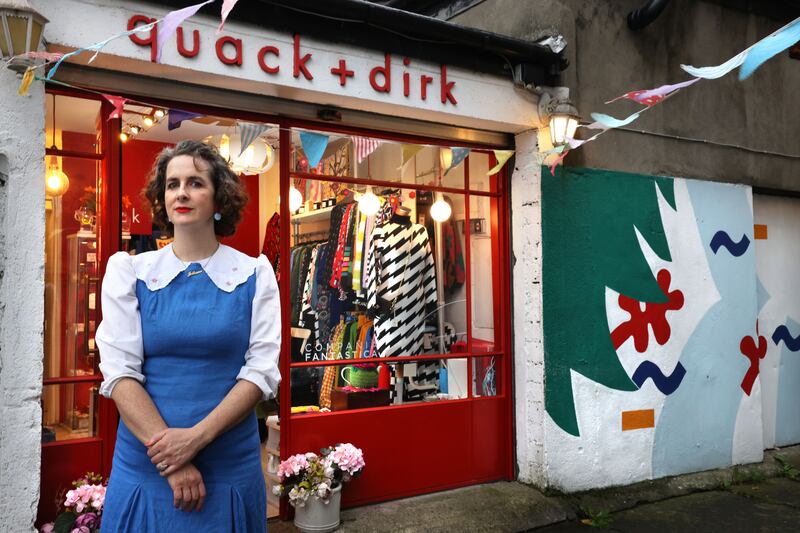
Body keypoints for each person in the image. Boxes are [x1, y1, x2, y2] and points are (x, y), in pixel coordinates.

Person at [96, 140, 281, 531]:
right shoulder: (130, 272)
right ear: (162, 199)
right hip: (146, 465)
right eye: (172, 184)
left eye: (195, 183)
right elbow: (119, 372)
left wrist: (193, 440)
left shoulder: (255, 274)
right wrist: (171, 458)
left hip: (227, 465)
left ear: (219, 199)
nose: (181, 192)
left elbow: (261, 372)